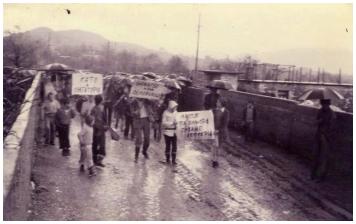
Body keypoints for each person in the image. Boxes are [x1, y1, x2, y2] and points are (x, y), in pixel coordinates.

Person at [310, 99, 336, 182]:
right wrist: (319, 121)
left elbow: (332, 128)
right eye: (322, 104)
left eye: (325, 105)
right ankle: (313, 175)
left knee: (323, 158)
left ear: (328, 105)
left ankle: (320, 177)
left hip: (325, 137)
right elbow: (314, 122)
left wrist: (325, 134)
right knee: (315, 156)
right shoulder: (320, 111)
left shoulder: (332, 114)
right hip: (318, 135)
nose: (323, 106)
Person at [211, 98, 230, 168]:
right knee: (213, 146)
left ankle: (216, 161)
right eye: (217, 102)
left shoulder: (226, 112)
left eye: (218, 102)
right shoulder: (214, 110)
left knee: (218, 146)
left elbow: (225, 123)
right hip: (213, 131)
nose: (216, 103)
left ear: (222, 104)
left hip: (220, 132)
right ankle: (213, 159)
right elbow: (210, 119)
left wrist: (218, 130)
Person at [91, 95, 108, 167]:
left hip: (97, 129)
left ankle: (95, 160)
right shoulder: (98, 109)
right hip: (98, 129)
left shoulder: (95, 109)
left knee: (96, 144)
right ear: (101, 101)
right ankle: (97, 161)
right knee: (99, 145)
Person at [162, 100, 178, 165]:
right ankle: (167, 159)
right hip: (167, 132)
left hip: (174, 132)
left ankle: (173, 160)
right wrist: (171, 123)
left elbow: (178, 120)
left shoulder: (176, 112)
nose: (175, 108)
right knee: (168, 146)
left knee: (174, 146)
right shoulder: (165, 113)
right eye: (174, 107)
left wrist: (177, 123)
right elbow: (163, 123)